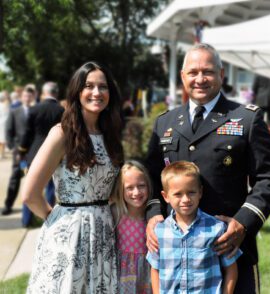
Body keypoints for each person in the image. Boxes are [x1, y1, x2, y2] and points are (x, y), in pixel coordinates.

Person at [145, 43, 270, 293]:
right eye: (193, 72)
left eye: (207, 71)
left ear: (221, 75)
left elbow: (268, 178)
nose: (200, 79)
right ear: (183, 76)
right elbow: (152, 178)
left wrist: (243, 223)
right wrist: (153, 215)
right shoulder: (164, 122)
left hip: (229, 247)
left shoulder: (246, 119)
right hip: (177, 258)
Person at [21, 61, 124, 293]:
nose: (97, 92)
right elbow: (30, 193)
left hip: (103, 231)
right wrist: (55, 219)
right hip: (68, 234)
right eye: (89, 86)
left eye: (103, 86)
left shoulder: (111, 135)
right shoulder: (62, 133)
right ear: (77, 91)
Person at [147, 161, 242, 293]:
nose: (185, 199)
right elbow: (155, 268)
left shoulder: (217, 228)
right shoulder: (160, 231)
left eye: (191, 192)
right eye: (178, 194)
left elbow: (231, 268)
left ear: (200, 192)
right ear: (166, 196)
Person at [18, 81, 64, 226]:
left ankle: (26, 220)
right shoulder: (62, 110)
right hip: (55, 154)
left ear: (44, 93)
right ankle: (49, 217)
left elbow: (27, 133)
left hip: (34, 153)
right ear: (56, 93)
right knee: (51, 186)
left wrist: (22, 150)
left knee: (30, 187)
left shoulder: (34, 109)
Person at [110, 160, 152, 294]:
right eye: (129, 187)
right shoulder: (115, 213)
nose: (136, 192)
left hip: (146, 274)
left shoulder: (152, 216)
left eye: (141, 186)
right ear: (121, 190)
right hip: (121, 275)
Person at [1, 87, 34, 215]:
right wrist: (12, 147)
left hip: (32, 152)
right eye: (25, 96)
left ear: (32, 97)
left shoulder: (35, 111)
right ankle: (8, 205)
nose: (27, 98)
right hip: (18, 152)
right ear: (21, 97)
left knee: (32, 178)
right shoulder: (14, 112)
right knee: (15, 177)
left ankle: (31, 210)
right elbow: (9, 130)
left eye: (29, 96)